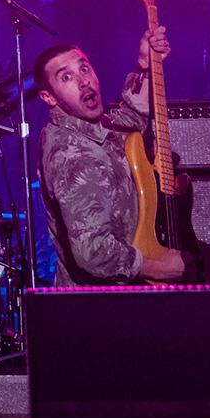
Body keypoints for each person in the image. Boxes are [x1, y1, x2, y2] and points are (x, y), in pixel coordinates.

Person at [35, 27, 187, 286]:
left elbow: (130, 122)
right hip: (100, 309)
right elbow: (93, 252)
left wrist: (145, 65)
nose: (84, 81)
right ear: (48, 97)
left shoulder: (90, 127)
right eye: (66, 77)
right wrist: (158, 269)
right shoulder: (73, 156)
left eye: (84, 69)